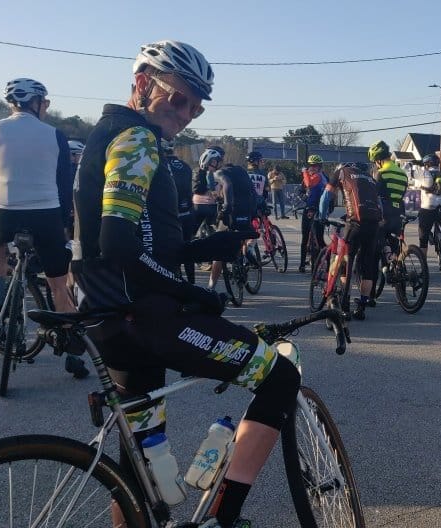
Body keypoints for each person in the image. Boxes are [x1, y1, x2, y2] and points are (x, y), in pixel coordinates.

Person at [72, 40, 295, 528]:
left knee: (140, 459)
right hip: (145, 319)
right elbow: (119, 247)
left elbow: (131, 243)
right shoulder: (136, 140)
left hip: (113, 316)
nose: (188, 112)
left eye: (196, 105)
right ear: (141, 85)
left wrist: (200, 251)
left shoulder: (110, 133)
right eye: (178, 98)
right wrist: (192, 294)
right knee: (281, 376)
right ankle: (224, 518)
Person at [0, 77, 84, 379]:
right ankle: (70, 350)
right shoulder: (55, 134)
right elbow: (64, 185)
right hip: (47, 214)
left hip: (6, 212)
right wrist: (64, 222)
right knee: (58, 286)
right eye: (46, 103)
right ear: (37, 103)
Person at [320, 162, 383, 320]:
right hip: (373, 224)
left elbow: (326, 196)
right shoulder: (369, 178)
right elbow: (379, 204)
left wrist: (321, 217)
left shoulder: (341, 172)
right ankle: (361, 307)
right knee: (367, 263)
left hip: (355, 222)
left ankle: (345, 304)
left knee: (345, 262)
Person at [209, 163, 258, 290]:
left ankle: (211, 286)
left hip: (232, 211)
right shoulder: (242, 172)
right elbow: (253, 191)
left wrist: (227, 206)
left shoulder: (220, 173)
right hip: (246, 210)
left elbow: (227, 185)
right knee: (249, 233)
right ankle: (248, 250)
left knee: (218, 252)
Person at [164, 139, 197, 283]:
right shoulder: (185, 166)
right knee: (188, 250)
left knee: (170, 252)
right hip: (188, 213)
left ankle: (176, 284)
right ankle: (192, 283)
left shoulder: (160, 165)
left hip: (170, 216)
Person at [414, 154, 441, 272]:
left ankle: (423, 266)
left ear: (427, 164)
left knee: (423, 236)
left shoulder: (424, 173)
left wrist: (415, 164)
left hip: (428, 207)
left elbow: (408, 172)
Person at [298, 155, 327, 273]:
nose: (313, 168)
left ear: (320, 167)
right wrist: (303, 196)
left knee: (319, 239)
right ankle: (302, 264)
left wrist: (304, 171)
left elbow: (309, 184)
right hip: (308, 208)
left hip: (318, 210)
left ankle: (326, 260)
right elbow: (302, 190)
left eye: (315, 166)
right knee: (305, 237)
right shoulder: (307, 177)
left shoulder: (321, 177)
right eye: (311, 165)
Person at [192, 146, 224, 237]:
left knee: (192, 232)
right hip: (211, 205)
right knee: (212, 232)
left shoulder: (196, 171)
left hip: (196, 204)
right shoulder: (215, 173)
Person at [245, 151, 269, 221]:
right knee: (264, 215)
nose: (261, 162)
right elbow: (267, 189)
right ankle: (264, 228)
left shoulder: (245, 173)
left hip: (247, 202)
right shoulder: (263, 173)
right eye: (260, 160)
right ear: (256, 162)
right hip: (260, 202)